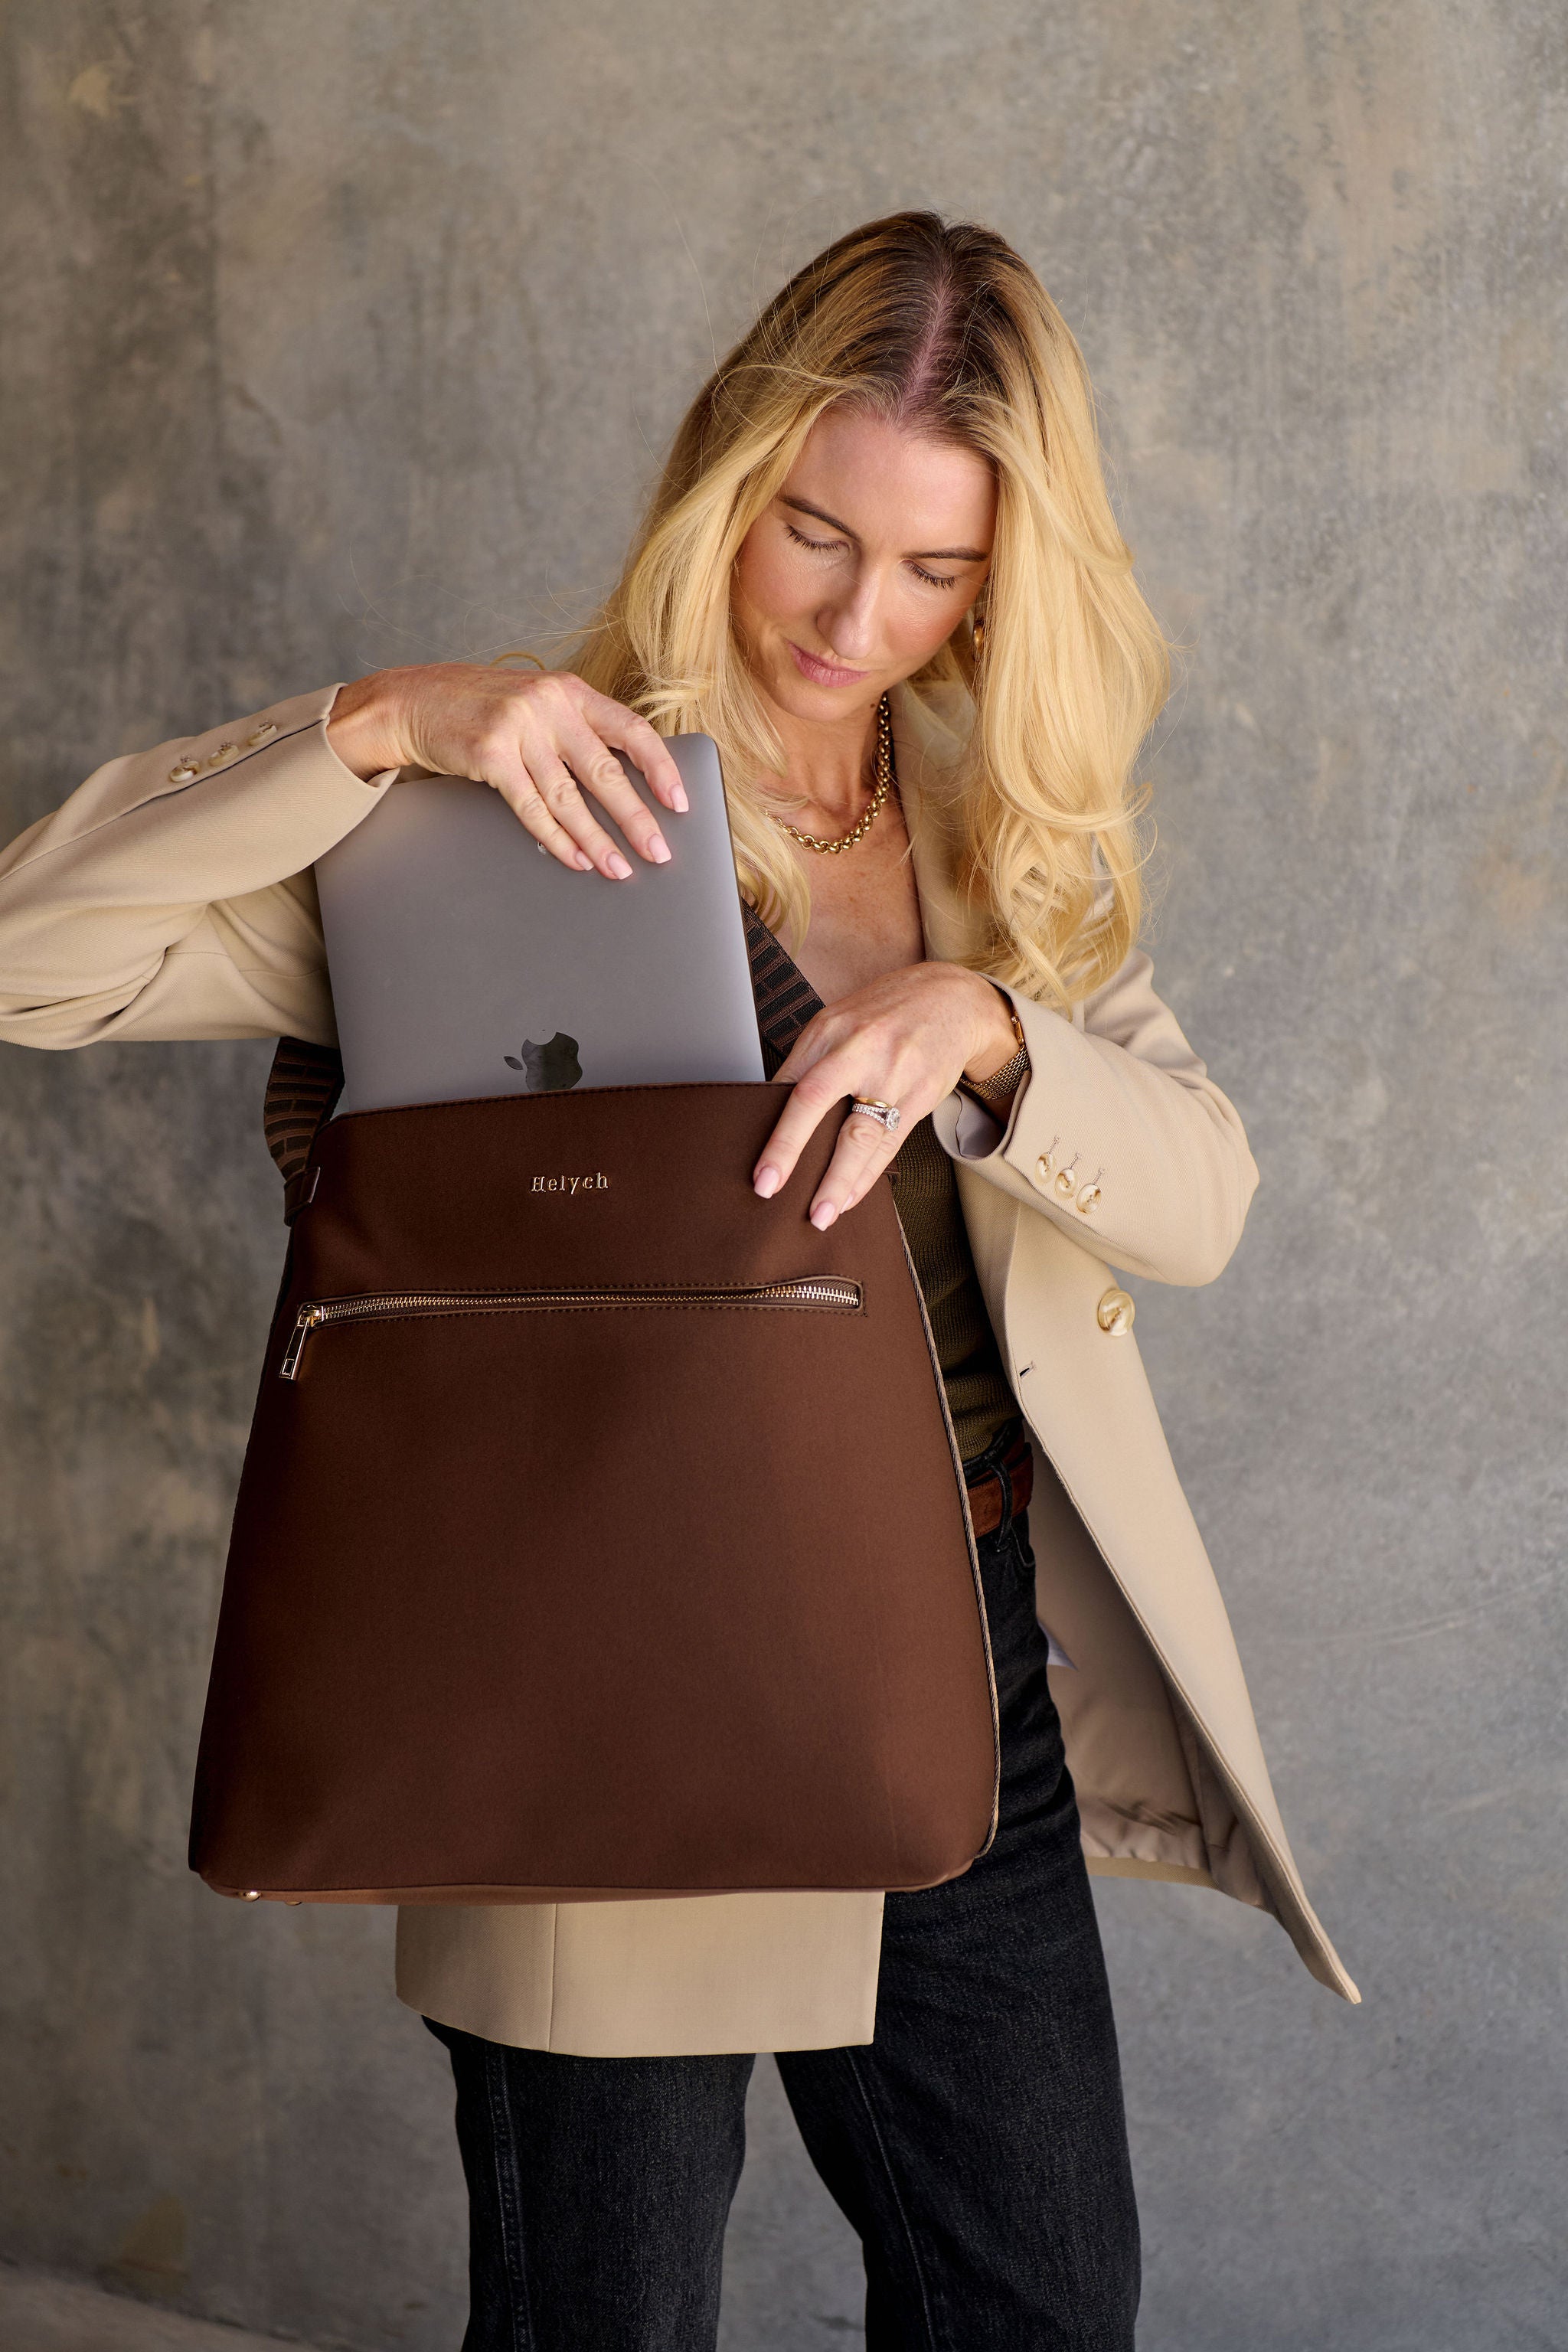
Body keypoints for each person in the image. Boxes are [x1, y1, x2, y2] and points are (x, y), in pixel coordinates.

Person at [0, 211, 1354, 2350]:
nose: (857, 620)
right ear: (730, 472)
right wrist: (373, 724)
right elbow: (33, 961)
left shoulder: (994, 836)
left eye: (938, 568)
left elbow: (1199, 1201)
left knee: (1039, 2303)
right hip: (595, 1658)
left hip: (952, 1657)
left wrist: (989, 1029)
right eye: (815, 533)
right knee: (606, 2323)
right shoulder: (494, 812)